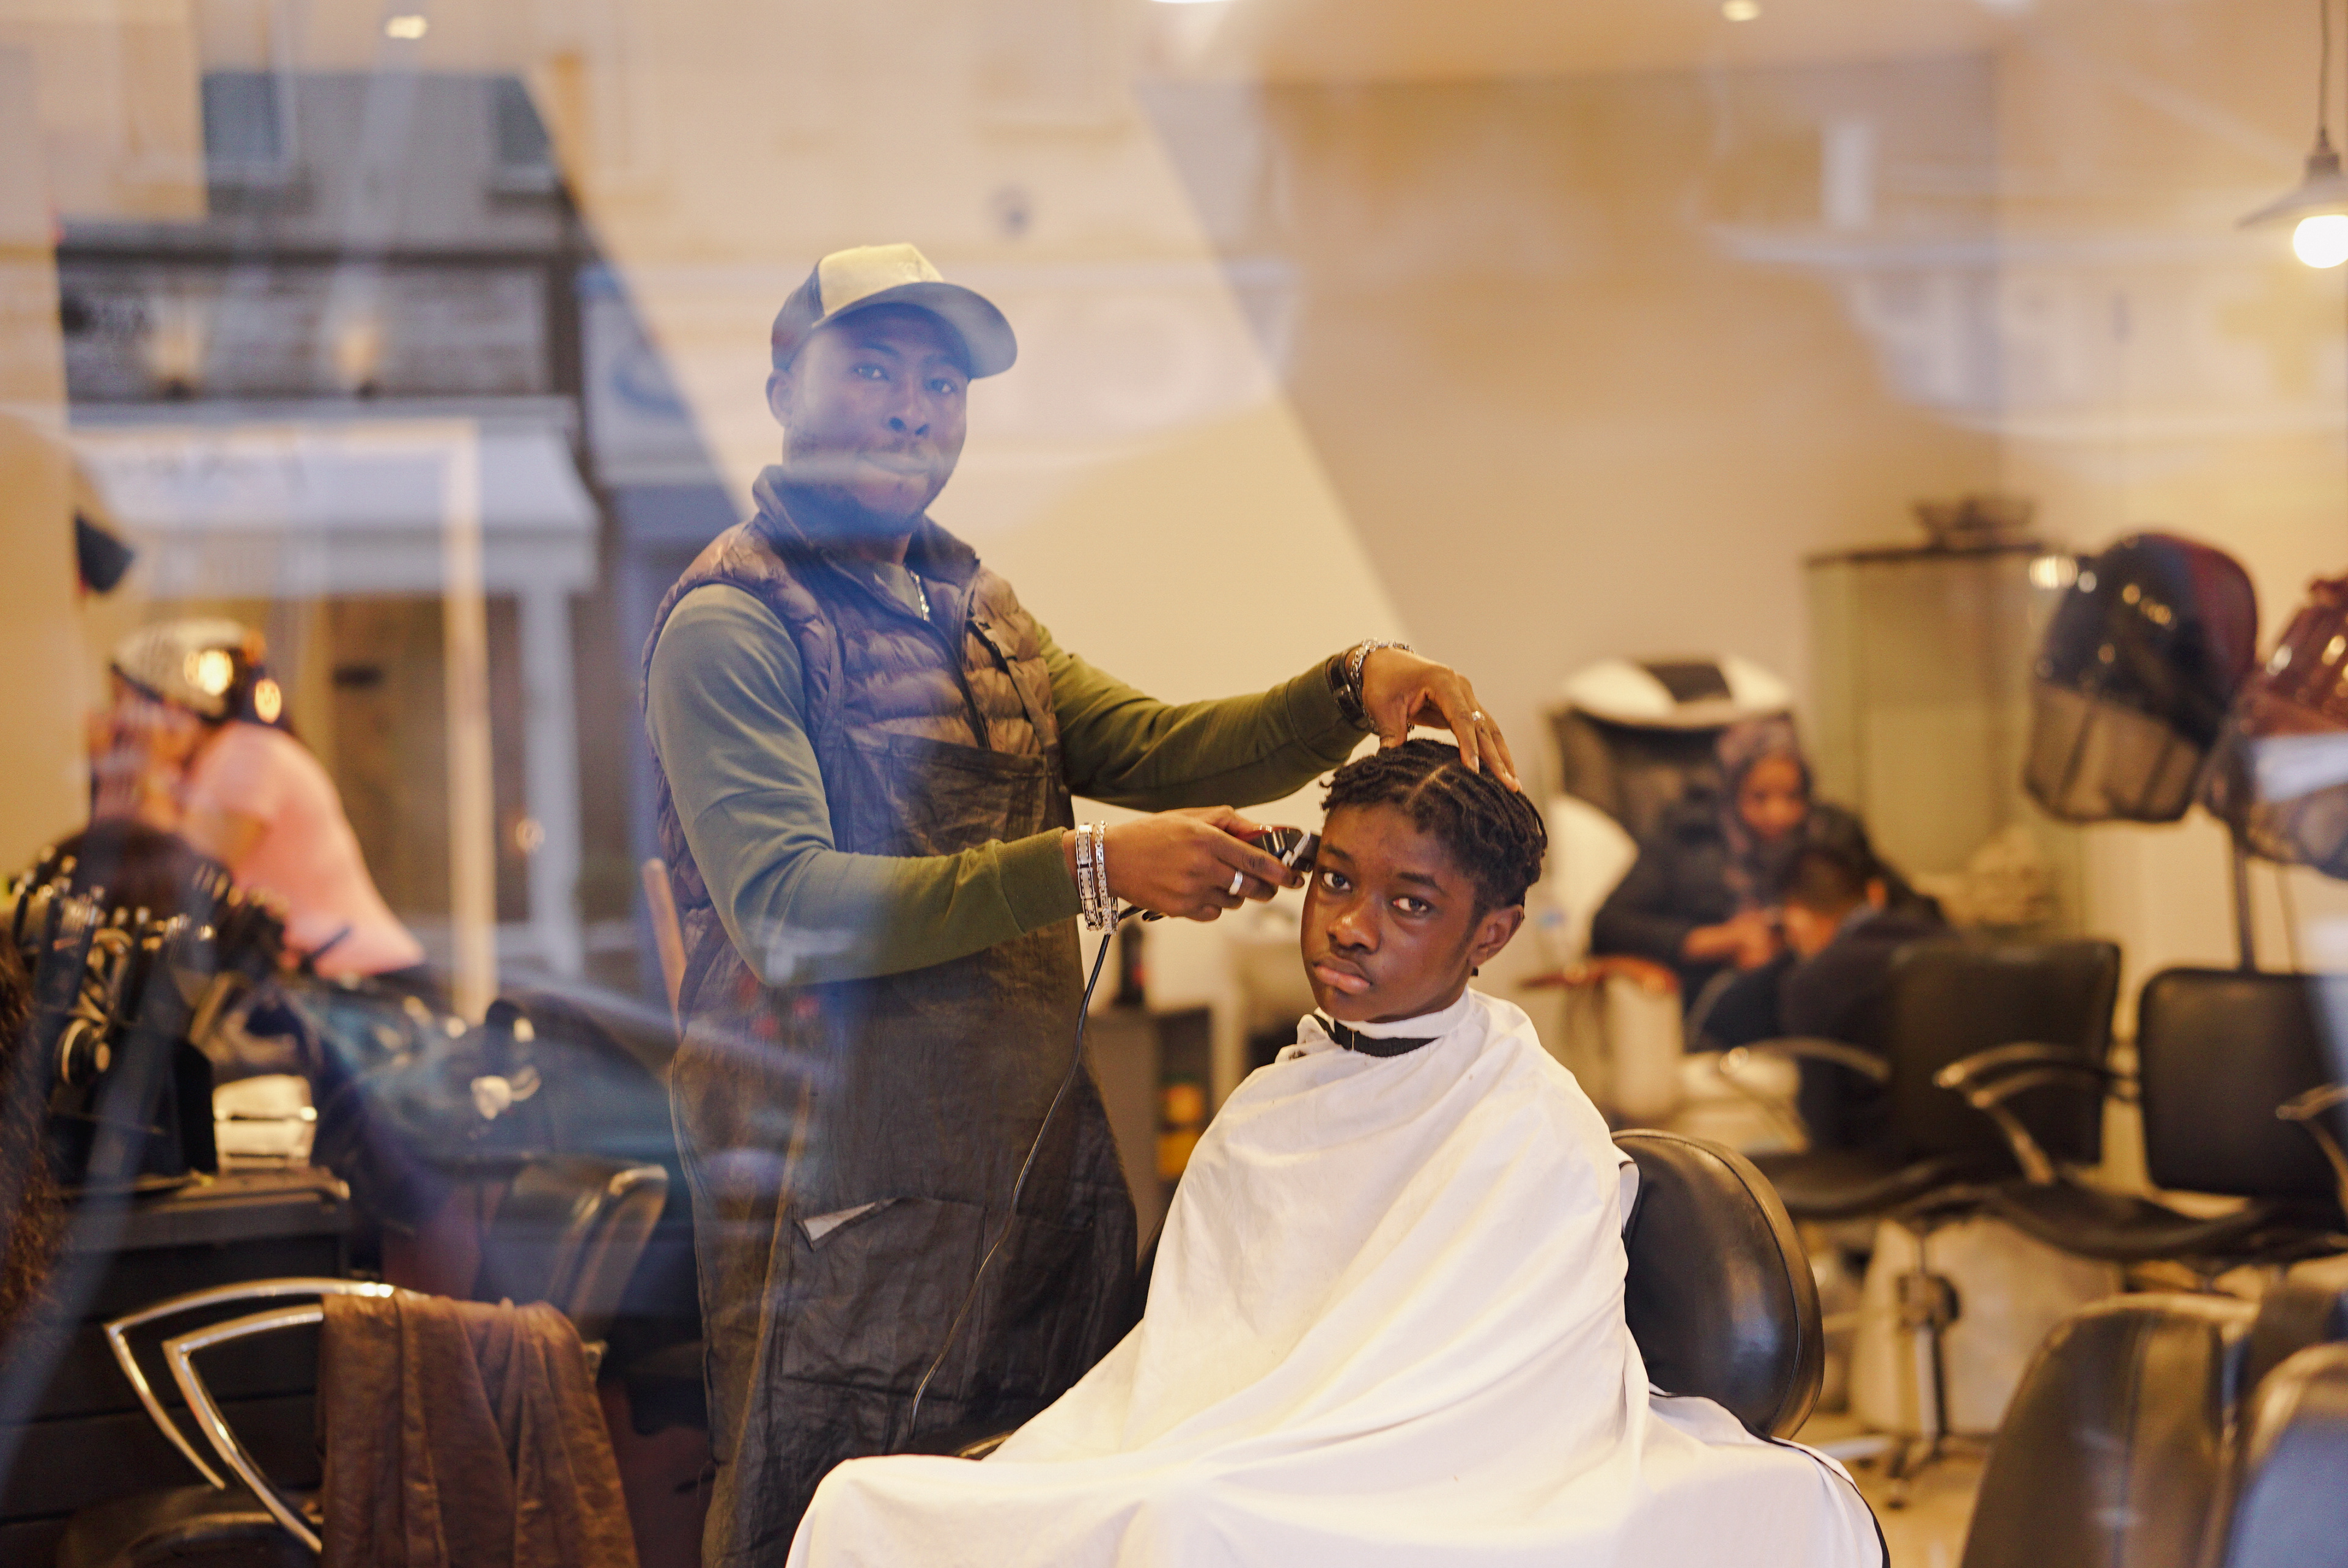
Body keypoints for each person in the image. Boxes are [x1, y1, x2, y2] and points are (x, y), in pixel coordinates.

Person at [642, 243, 1518, 1558]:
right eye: (871, 369)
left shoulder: (978, 609)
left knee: (1057, 1516)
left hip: (1028, 1168)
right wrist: (1095, 867)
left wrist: (1352, 681)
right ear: (780, 384)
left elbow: (1158, 747)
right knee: (835, 1522)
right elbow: (788, 910)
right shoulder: (736, 624)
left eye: (941, 383)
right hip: (835, 1197)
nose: (910, 406)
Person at [780, 738, 1878, 1567]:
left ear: (1489, 936)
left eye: (1411, 904)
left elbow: (1471, 1397)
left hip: (1437, 1468)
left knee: (1185, 1522)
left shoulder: (1525, 1121)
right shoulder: (1273, 1104)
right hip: (1229, 1445)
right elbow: (1206, 1358)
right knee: (862, 1508)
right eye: (1337, 881)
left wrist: (1260, 1452)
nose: (1352, 924)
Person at [101, 620, 427, 984]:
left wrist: (148, 773)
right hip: (332, 979)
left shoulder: (245, 754)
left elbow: (184, 882)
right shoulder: (202, 768)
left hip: (364, 981)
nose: (117, 721)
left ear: (173, 705)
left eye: (123, 702)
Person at [1589, 715, 1811, 1010]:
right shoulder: (1685, 838)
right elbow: (1608, 927)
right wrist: (1717, 941)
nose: (1778, 814)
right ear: (1733, 792)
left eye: (1792, 797)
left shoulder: (1824, 834)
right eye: (1760, 798)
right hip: (1714, 998)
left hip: (1807, 984)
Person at [1773, 808, 1948, 1150]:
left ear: (1795, 917)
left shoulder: (1813, 981)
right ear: (1875, 894)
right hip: (1986, 1155)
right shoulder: (1954, 946)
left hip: (1884, 1164)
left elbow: (1823, 1124)